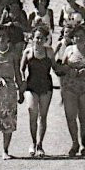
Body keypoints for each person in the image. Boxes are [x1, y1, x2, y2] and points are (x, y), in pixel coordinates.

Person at [55, 24, 85, 156]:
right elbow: (63, 66)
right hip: (70, 86)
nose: (79, 38)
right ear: (72, 38)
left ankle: (83, 144)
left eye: (81, 36)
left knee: (83, 116)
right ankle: (74, 142)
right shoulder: (69, 50)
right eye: (76, 36)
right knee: (70, 116)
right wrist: (71, 70)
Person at [0, 24, 25, 159]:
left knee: (8, 120)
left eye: (4, 36)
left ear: (9, 38)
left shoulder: (13, 55)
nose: (1, 38)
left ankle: (5, 150)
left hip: (9, 90)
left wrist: (21, 90)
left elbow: (18, 74)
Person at [21, 26, 55, 157]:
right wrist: (22, 81)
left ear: (46, 39)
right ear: (32, 38)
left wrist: (67, 69)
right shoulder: (28, 52)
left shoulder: (49, 52)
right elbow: (21, 69)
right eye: (37, 37)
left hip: (46, 85)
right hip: (31, 86)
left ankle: (40, 144)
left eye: (42, 38)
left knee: (43, 116)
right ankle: (33, 142)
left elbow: (55, 67)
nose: (39, 40)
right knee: (32, 111)